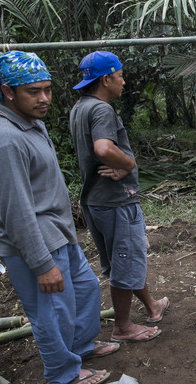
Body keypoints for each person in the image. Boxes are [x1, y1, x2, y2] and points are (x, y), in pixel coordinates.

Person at [0, 51, 119, 384]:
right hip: (34, 242)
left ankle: (81, 347)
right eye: (33, 91)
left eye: (47, 89)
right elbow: (16, 211)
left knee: (83, 292)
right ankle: (62, 372)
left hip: (57, 234)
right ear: (8, 92)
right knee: (50, 310)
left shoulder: (30, 124)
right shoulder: (4, 141)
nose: (44, 98)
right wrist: (41, 265)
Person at [69, 51, 168, 345]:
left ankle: (152, 307)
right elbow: (102, 149)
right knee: (126, 260)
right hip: (115, 200)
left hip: (94, 201)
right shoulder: (101, 110)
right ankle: (123, 327)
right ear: (105, 79)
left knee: (121, 259)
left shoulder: (80, 108)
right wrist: (127, 163)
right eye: (120, 75)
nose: (123, 81)